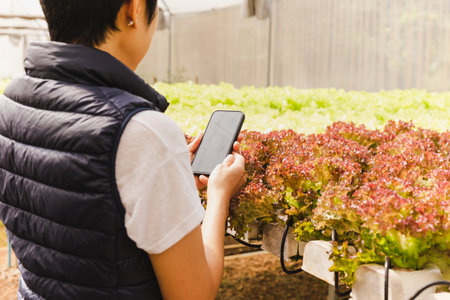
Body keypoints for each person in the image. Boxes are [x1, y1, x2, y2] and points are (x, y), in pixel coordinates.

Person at [0, 0, 246, 299]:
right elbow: (194, 294)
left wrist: (167, 176)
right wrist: (219, 194)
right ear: (135, 9)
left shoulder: (10, 102)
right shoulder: (142, 130)